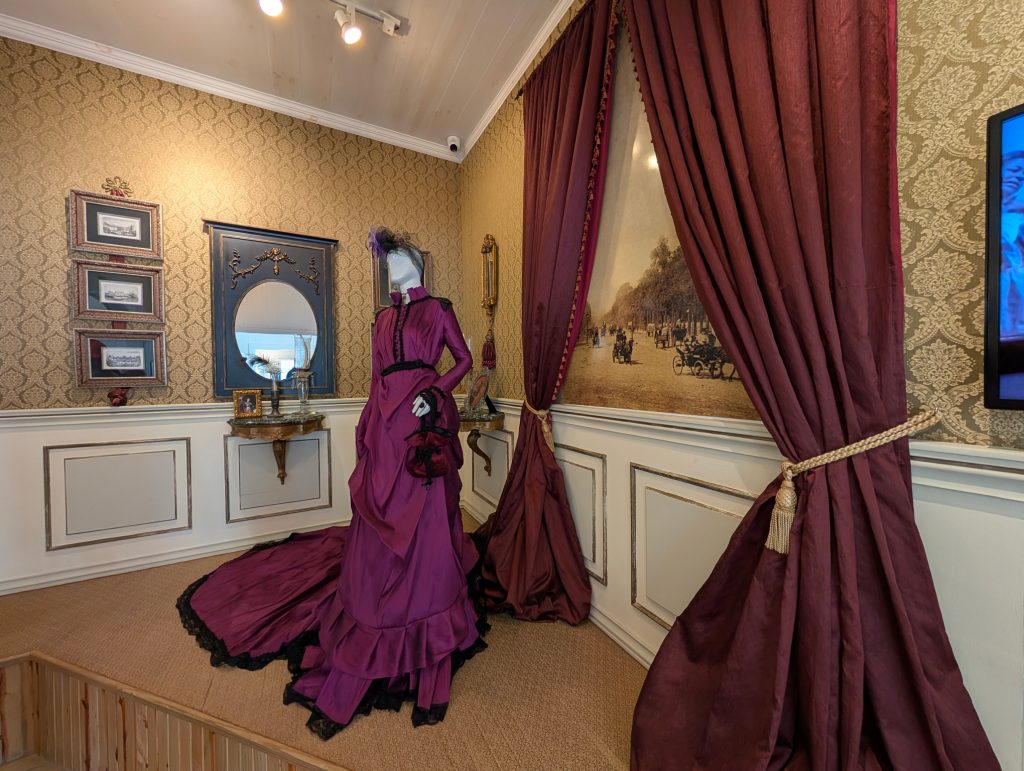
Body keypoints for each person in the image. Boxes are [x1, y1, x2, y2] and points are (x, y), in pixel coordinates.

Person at [177, 227, 483, 739]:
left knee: (423, 513)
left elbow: (464, 361)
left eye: (399, 261)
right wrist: (367, 423)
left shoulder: (440, 310)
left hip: (421, 419)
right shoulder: (380, 319)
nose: (392, 270)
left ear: (417, 264)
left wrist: (436, 392)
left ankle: (425, 608)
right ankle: (376, 602)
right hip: (384, 423)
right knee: (376, 511)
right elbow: (376, 376)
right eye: (387, 264)